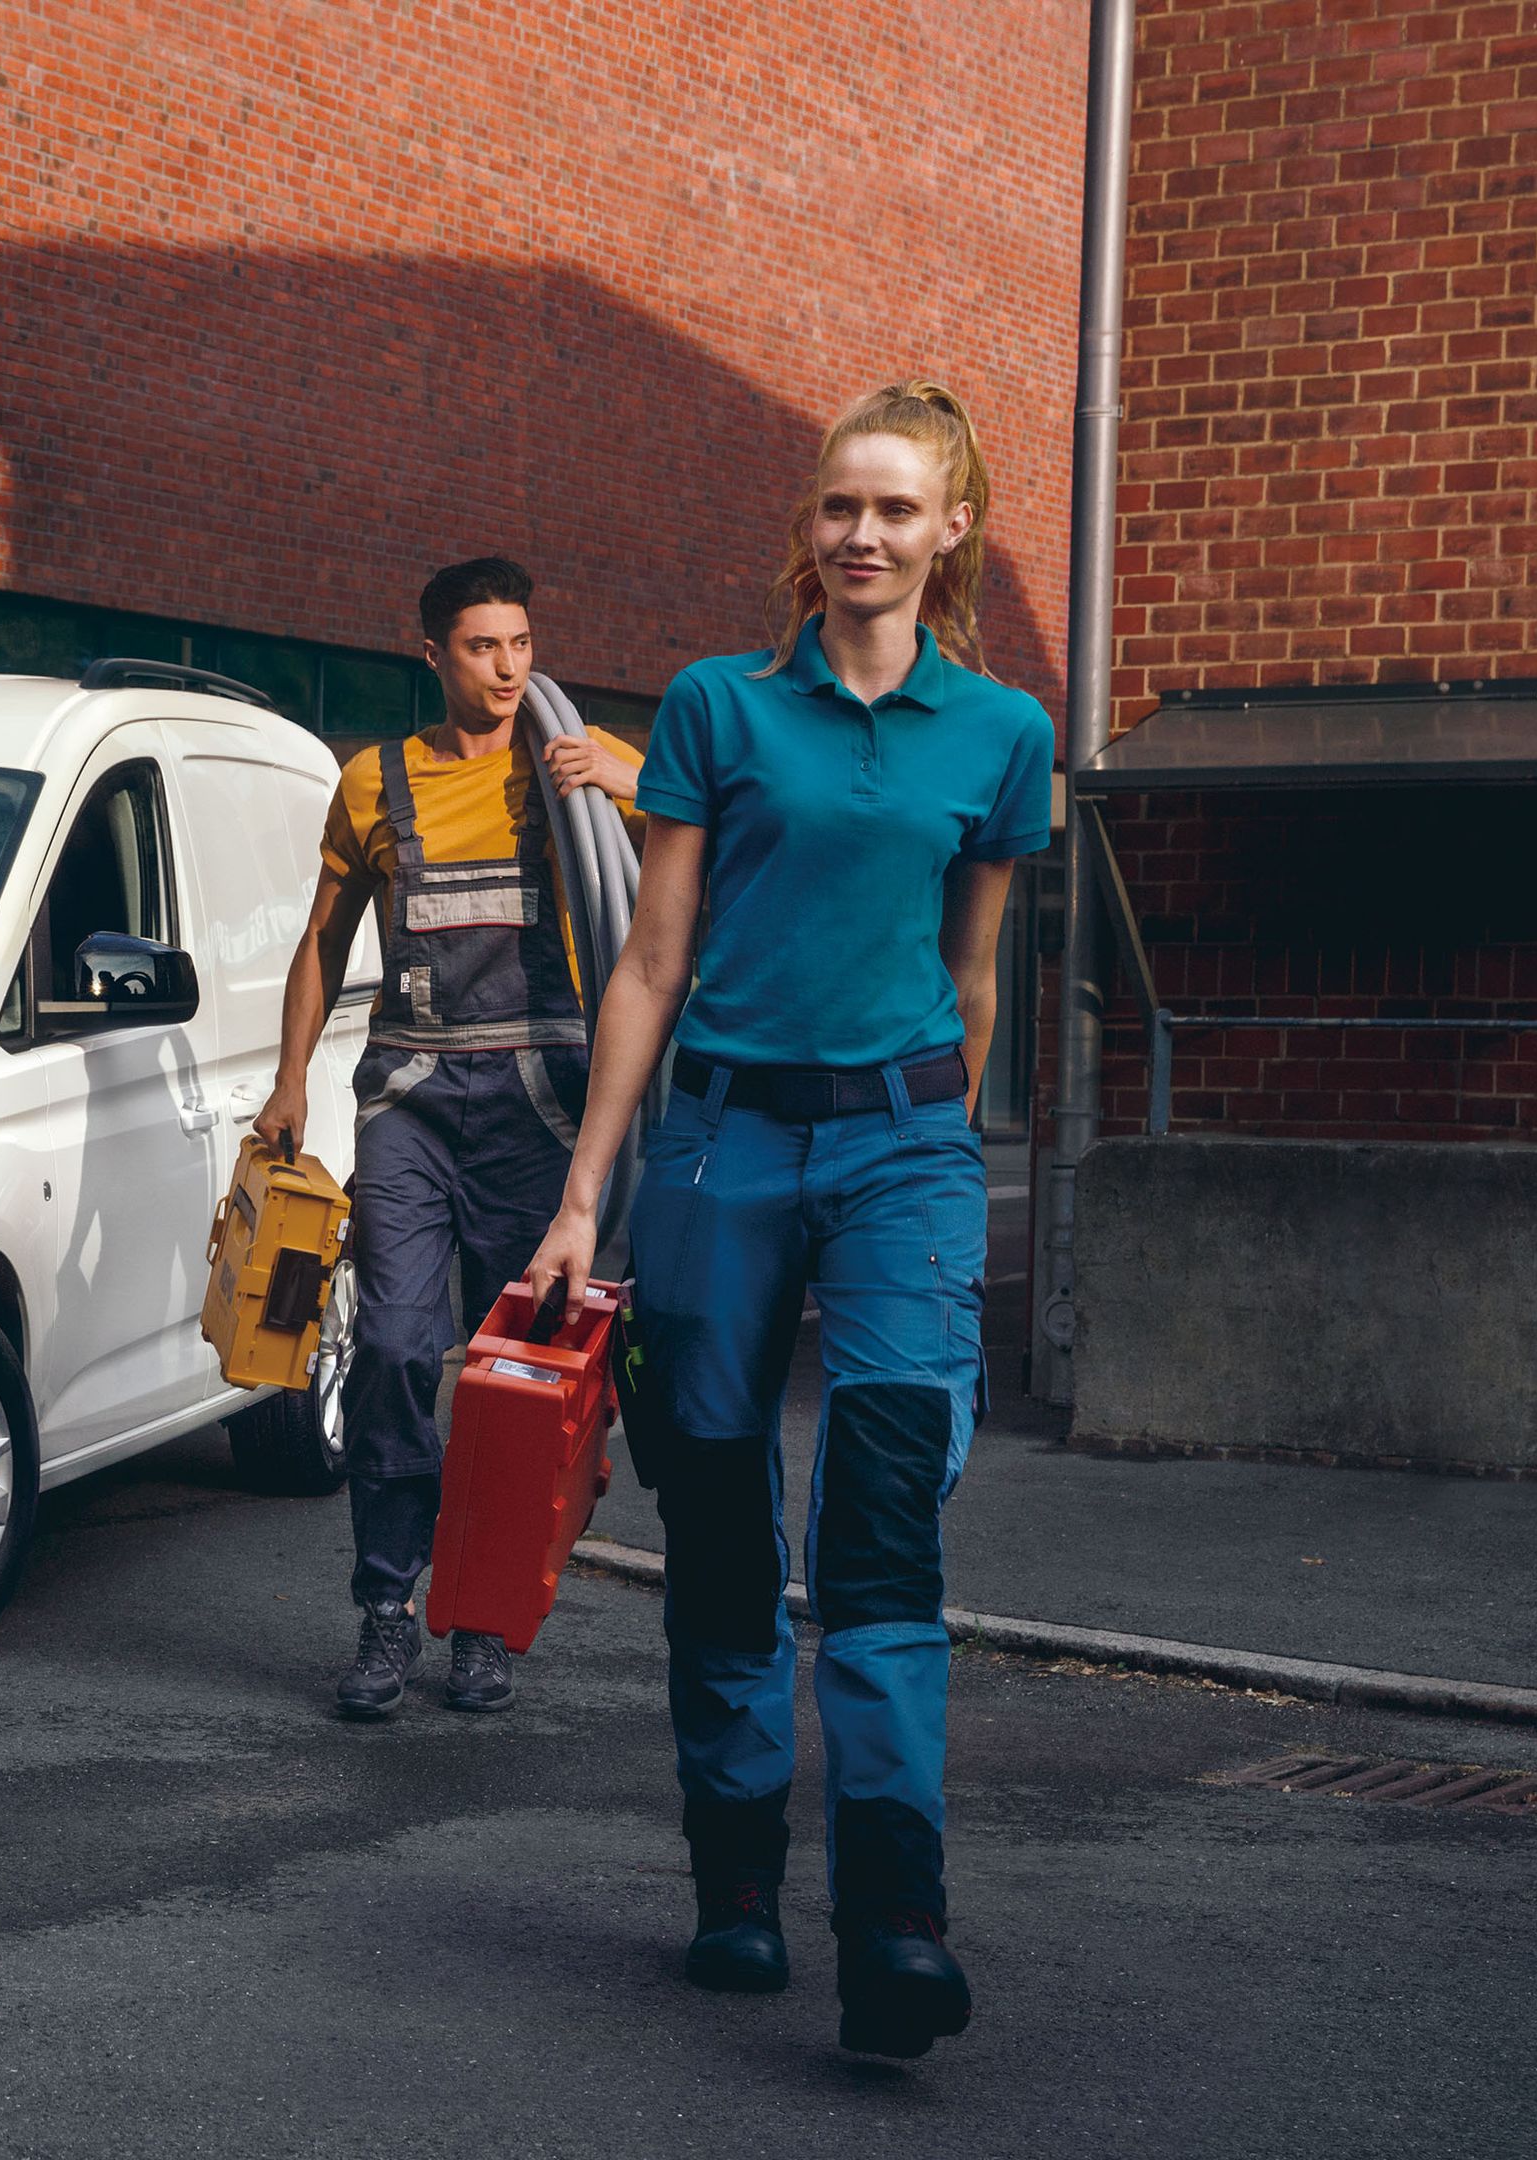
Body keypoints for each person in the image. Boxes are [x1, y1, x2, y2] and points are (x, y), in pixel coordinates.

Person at [517, 383, 1050, 2059]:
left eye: (895, 510)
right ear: (807, 527)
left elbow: (974, 974)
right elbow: (653, 965)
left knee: (884, 1524)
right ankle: (737, 1884)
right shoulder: (715, 710)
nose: (863, 536)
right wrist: (584, 1193)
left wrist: (935, 1147)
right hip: (721, 1148)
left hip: (899, 1152)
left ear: (951, 530)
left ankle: (897, 1920)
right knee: (727, 1532)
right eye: (839, 508)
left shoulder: (1001, 735)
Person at [254, 555, 641, 1720]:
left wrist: (632, 770)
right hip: (414, 1101)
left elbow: (733, 818)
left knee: (515, 1381)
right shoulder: (374, 783)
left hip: (541, 1102)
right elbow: (324, 942)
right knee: (391, 1354)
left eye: (522, 641)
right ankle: (385, 1607)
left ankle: (482, 1622)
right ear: (432, 654)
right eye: (483, 646)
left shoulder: (578, 770)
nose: (511, 666)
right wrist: (288, 1083)